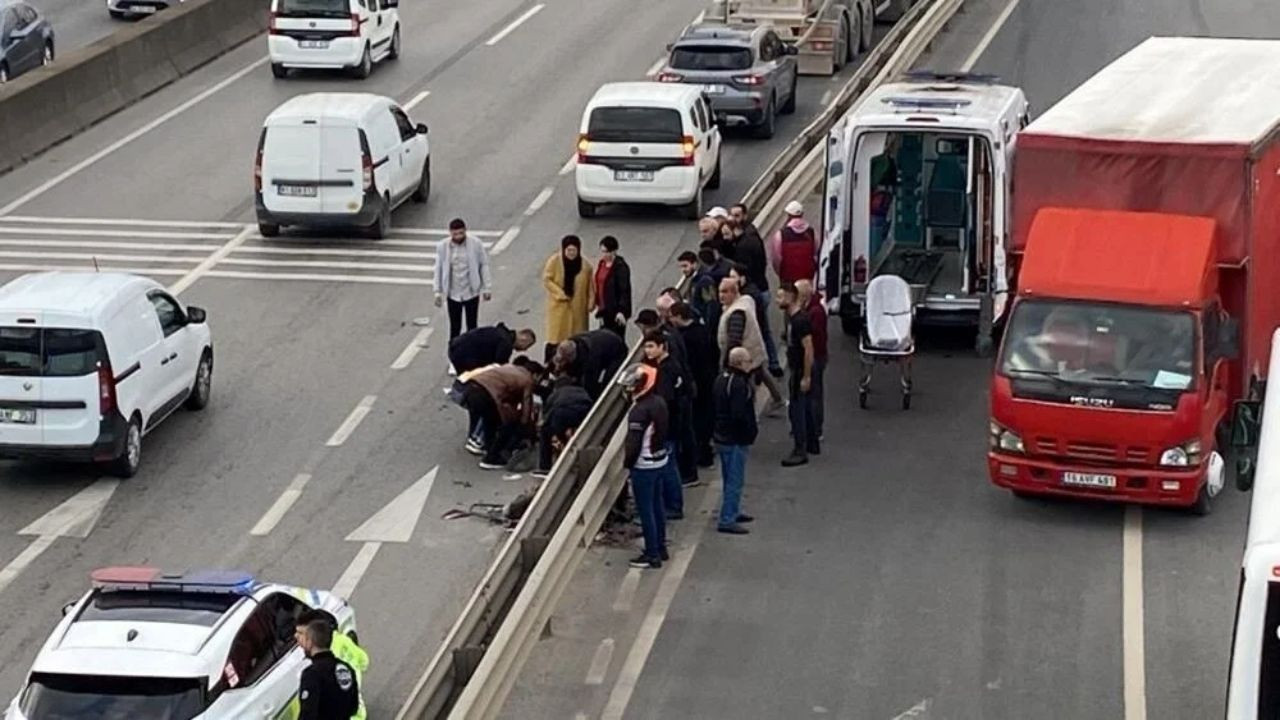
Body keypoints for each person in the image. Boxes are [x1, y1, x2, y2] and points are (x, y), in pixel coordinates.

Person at [619, 363, 670, 570]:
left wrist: (627, 466)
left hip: (644, 465)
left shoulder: (639, 411)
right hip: (660, 460)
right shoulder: (659, 402)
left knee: (646, 510)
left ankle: (651, 554)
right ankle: (660, 547)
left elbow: (633, 445)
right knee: (658, 507)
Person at [725, 204, 781, 377]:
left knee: (758, 332)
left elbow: (746, 268)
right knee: (764, 331)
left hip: (756, 291)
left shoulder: (743, 246)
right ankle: (774, 363)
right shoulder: (752, 234)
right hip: (762, 288)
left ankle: (764, 367)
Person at [717, 277, 785, 414]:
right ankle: (778, 399)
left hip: (744, 354)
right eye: (719, 291)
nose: (720, 296)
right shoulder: (746, 301)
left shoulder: (736, 313)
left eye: (725, 292)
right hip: (754, 348)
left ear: (734, 292)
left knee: (747, 383)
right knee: (763, 373)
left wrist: (725, 362)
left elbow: (734, 339)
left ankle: (751, 411)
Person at [462, 358, 544, 469]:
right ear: (535, 375)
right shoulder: (527, 379)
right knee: (509, 424)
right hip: (486, 395)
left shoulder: (509, 368)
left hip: (470, 389)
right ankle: (491, 458)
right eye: (539, 379)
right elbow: (526, 406)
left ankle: (489, 449)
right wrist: (526, 428)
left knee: (490, 422)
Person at [641, 330, 690, 517]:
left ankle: (674, 505)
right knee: (669, 464)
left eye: (652, 346)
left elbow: (665, 400)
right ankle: (672, 503)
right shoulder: (668, 366)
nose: (648, 351)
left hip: (667, 425)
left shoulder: (666, 370)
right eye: (646, 347)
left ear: (663, 347)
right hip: (673, 421)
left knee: (668, 466)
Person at [714, 347, 758, 535]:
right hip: (734, 439)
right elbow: (739, 414)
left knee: (729, 478)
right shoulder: (739, 384)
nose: (751, 364)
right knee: (734, 480)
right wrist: (749, 432)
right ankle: (728, 518)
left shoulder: (721, 379)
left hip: (721, 435)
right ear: (740, 363)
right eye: (748, 361)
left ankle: (733, 510)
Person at [670, 301, 718, 469]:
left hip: (696, 382)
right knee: (705, 416)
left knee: (696, 420)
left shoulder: (684, 337)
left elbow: (687, 362)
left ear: (679, 316)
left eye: (672, 317)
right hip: (708, 377)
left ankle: (702, 455)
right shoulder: (702, 330)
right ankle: (706, 451)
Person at [297, 609, 368, 720]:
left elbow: (308, 714)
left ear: (310, 641)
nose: (297, 638)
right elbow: (353, 707)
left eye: (301, 634)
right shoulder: (346, 668)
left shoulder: (312, 674)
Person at [777, 282, 819, 466]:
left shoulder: (800, 320)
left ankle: (800, 449)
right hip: (798, 368)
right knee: (805, 407)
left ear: (790, 297)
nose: (778, 300)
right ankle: (812, 443)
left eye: (780, 296)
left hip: (800, 369)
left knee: (797, 410)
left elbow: (808, 348)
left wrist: (806, 376)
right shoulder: (792, 319)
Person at [433, 218, 493, 341]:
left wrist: (487, 288)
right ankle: (453, 356)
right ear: (450, 233)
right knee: (455, 328)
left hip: (471, 291)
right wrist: (437, 291)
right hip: (453, 293)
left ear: (465, 231)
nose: (459, 237)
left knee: (472, 327)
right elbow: (438, 268)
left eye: (461, 233)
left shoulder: (476, 244)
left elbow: (484, 265)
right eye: (455, 234)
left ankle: (473, 355)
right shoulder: (443, 247)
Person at [535, 372, 593, 478]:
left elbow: (547, 416)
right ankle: (571, 456)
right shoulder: (581, 390)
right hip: (585, 410)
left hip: (563, 412)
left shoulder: (555, 394)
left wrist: (543, 426)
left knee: (546, 432)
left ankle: (545, 466)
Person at [543, 235, 595, 344]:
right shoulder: (554, 261)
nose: (571, 253)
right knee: (557, 339)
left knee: (578, 340)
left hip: (578, 309)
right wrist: (560, 293)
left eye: (574, 250)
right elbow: (547, 280)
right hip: (559, 308)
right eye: (569, 250)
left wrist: (591, 302)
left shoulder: (585, 266)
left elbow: (590, 286)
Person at [557, 328, 629, 400]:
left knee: (607, 384)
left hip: (617, 351)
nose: (561, 364)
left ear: (571, 357)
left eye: (565, 361)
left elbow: (590, 386)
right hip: (604, 337)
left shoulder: (591, 358)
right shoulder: (572, 341)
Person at [796, 279, 828, 439]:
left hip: (816, 357)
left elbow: (814, 337)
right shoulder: (814, 309)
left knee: (814, 394)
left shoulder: (815, 312)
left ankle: (815, 428)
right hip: (816, 356)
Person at [448, 324, 536, 375]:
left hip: (456, 346)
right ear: (524, 339)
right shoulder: (506, 344)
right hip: (463, 356)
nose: (524, 350)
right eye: (527, 346)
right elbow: (499, 368)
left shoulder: (500, 332)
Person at [769, 200, 818, 286]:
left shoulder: (781, 234)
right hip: (807, 278)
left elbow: (776, 259)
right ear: (802, 214)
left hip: (788, 279)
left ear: (788, 215)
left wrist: (781, 274)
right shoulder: (812, 233)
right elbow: (816, 254)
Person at [593, 235, 632, 340]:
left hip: (615, 312)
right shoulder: (602, 264)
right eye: (602, 251)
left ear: (614, 251)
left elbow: (624, 290)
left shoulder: (620, 267)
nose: (604, 255)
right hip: (604, 309)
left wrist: (621, 311)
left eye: (607, 252)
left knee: (615, 339)